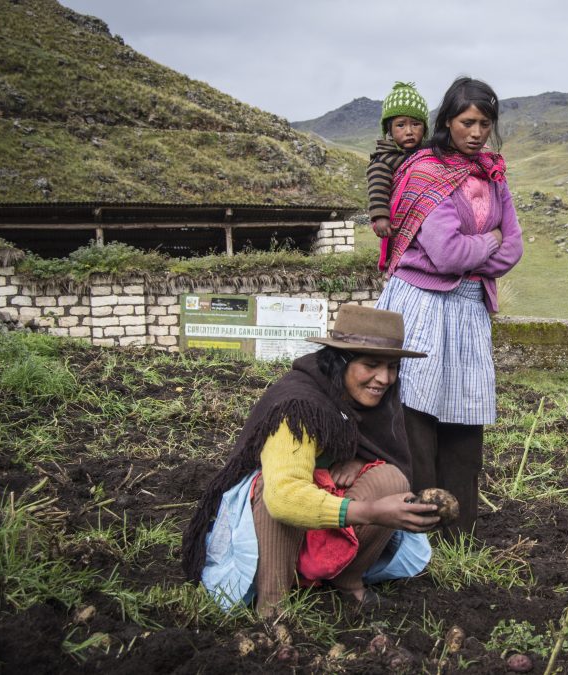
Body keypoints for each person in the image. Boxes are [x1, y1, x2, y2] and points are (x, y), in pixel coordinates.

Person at [181, 305, 440, 616]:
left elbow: (383, 451)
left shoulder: (378, 400)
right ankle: (272, 605)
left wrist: (359, 460)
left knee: (391, 479)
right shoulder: (299, 406)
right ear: (340, 361)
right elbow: (284, 497)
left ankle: (349, 580)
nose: (383, 378)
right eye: (371, 365)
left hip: (326, 517)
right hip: (272, 522)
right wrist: (370, 511)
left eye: (392, 367)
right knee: (269, 488)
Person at [375, 77, 523, 537]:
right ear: (446, 122)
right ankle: (413, 526)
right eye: (466, 122)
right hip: (421, 302)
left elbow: (513, 247)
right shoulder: (424, 170)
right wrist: (488, 242)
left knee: (465, 411)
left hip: (467, 308)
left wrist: (480, 247)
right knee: (416, 411)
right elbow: (446, 254)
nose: (476, 132)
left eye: (484, 123)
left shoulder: (492, 175)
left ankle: (459, 529)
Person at [368, 82, 429, 268]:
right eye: (401, 125)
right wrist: (380, 216)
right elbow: (377, 187)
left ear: (425, 128)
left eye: (416, 124)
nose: (409, 131)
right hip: (399, 225)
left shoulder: (427, 154)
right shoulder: (384, 159)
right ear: (389, 130)